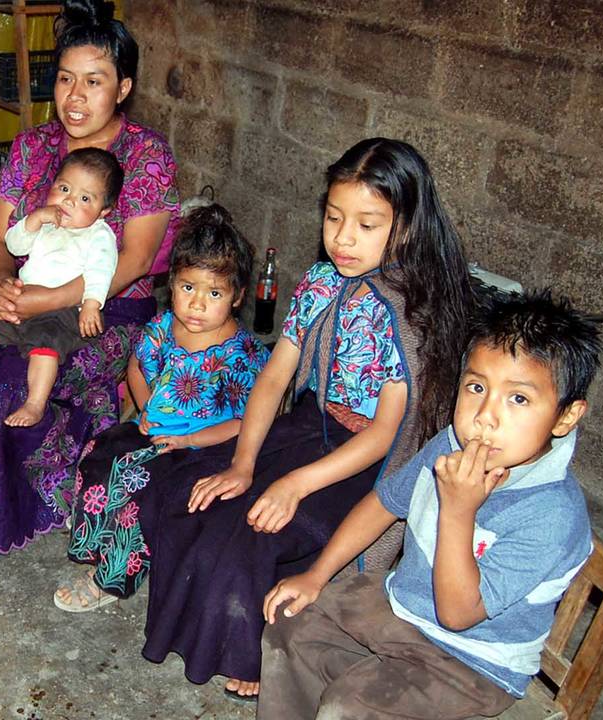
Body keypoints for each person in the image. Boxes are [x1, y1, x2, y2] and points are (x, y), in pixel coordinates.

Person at [135, 138, 477, 698]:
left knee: (254, 532)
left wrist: (294, 485)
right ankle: (203, 627)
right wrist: (244, 462)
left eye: (367, 224)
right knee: (189, 492)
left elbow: (387, 435)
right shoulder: (321, 284)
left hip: (364, 461)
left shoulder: (413, 309)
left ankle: (250, 651)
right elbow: (274, 378)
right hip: (307, 426)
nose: (343, 238)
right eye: (334, 217)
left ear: (406, 227)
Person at [0, 0, 182, 554]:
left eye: (94, 82)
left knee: (10, 382)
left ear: (123, 88)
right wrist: (6, 286)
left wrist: (46, 300)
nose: (75, 96)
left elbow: (133, 261)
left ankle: (24, 493)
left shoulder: (146, 156)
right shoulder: (33, 148)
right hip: (28, 297)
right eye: (65, 79)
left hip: (104, 309)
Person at [258, 289, 601, 720]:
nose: (485, 417)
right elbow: (383, 504)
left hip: (473, 660)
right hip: (403, 603)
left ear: (566, 416)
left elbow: (458, 615)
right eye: (477, 387)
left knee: (349, 707)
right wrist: (317, 575)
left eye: (518, 398)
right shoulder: (449, 444)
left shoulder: (553, 515)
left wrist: (458, 510)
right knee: (289, 624)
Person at [52, 205, 271, 611]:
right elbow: (137, 366)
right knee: (100, 451)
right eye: (188, 288)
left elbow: (245, 423)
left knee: (140, 489)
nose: (197, 304)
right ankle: (95, 533)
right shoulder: (163, 328)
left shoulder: (242, 357)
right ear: (172, 285)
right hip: (156, 431)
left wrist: (187, 439)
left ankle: (111, 578)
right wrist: (146, 405)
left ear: (238, 296)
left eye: (214, 293)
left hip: (207, 447)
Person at [0, 148, 124, 428]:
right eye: (64, 188)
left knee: (45, 344)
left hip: (63, 313)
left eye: (85, 198)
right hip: (22, 302)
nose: (69, 200)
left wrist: (92, 303)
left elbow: (101, 271)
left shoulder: (98, 234)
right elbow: (14, 245)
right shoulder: (47, 223)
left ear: (104, 211)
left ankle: (35, 403)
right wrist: (34, 220)